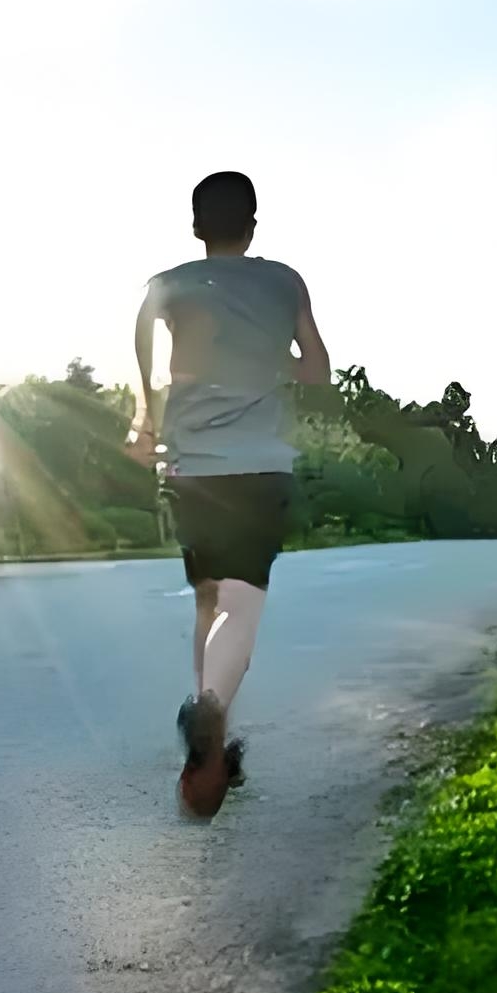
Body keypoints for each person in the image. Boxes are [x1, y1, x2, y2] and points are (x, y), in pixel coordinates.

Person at [130, 171, 330, 819]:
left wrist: (144, 418)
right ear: (253, 224)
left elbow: (145, 353)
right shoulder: (284, 281)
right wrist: (276, 364)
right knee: (240, 604)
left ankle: (210, 738)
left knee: (208, 600)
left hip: (190, 468)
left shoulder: (166, 286)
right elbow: (318, 370)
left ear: (195, 226)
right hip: (259, 466)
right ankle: (210, 714)